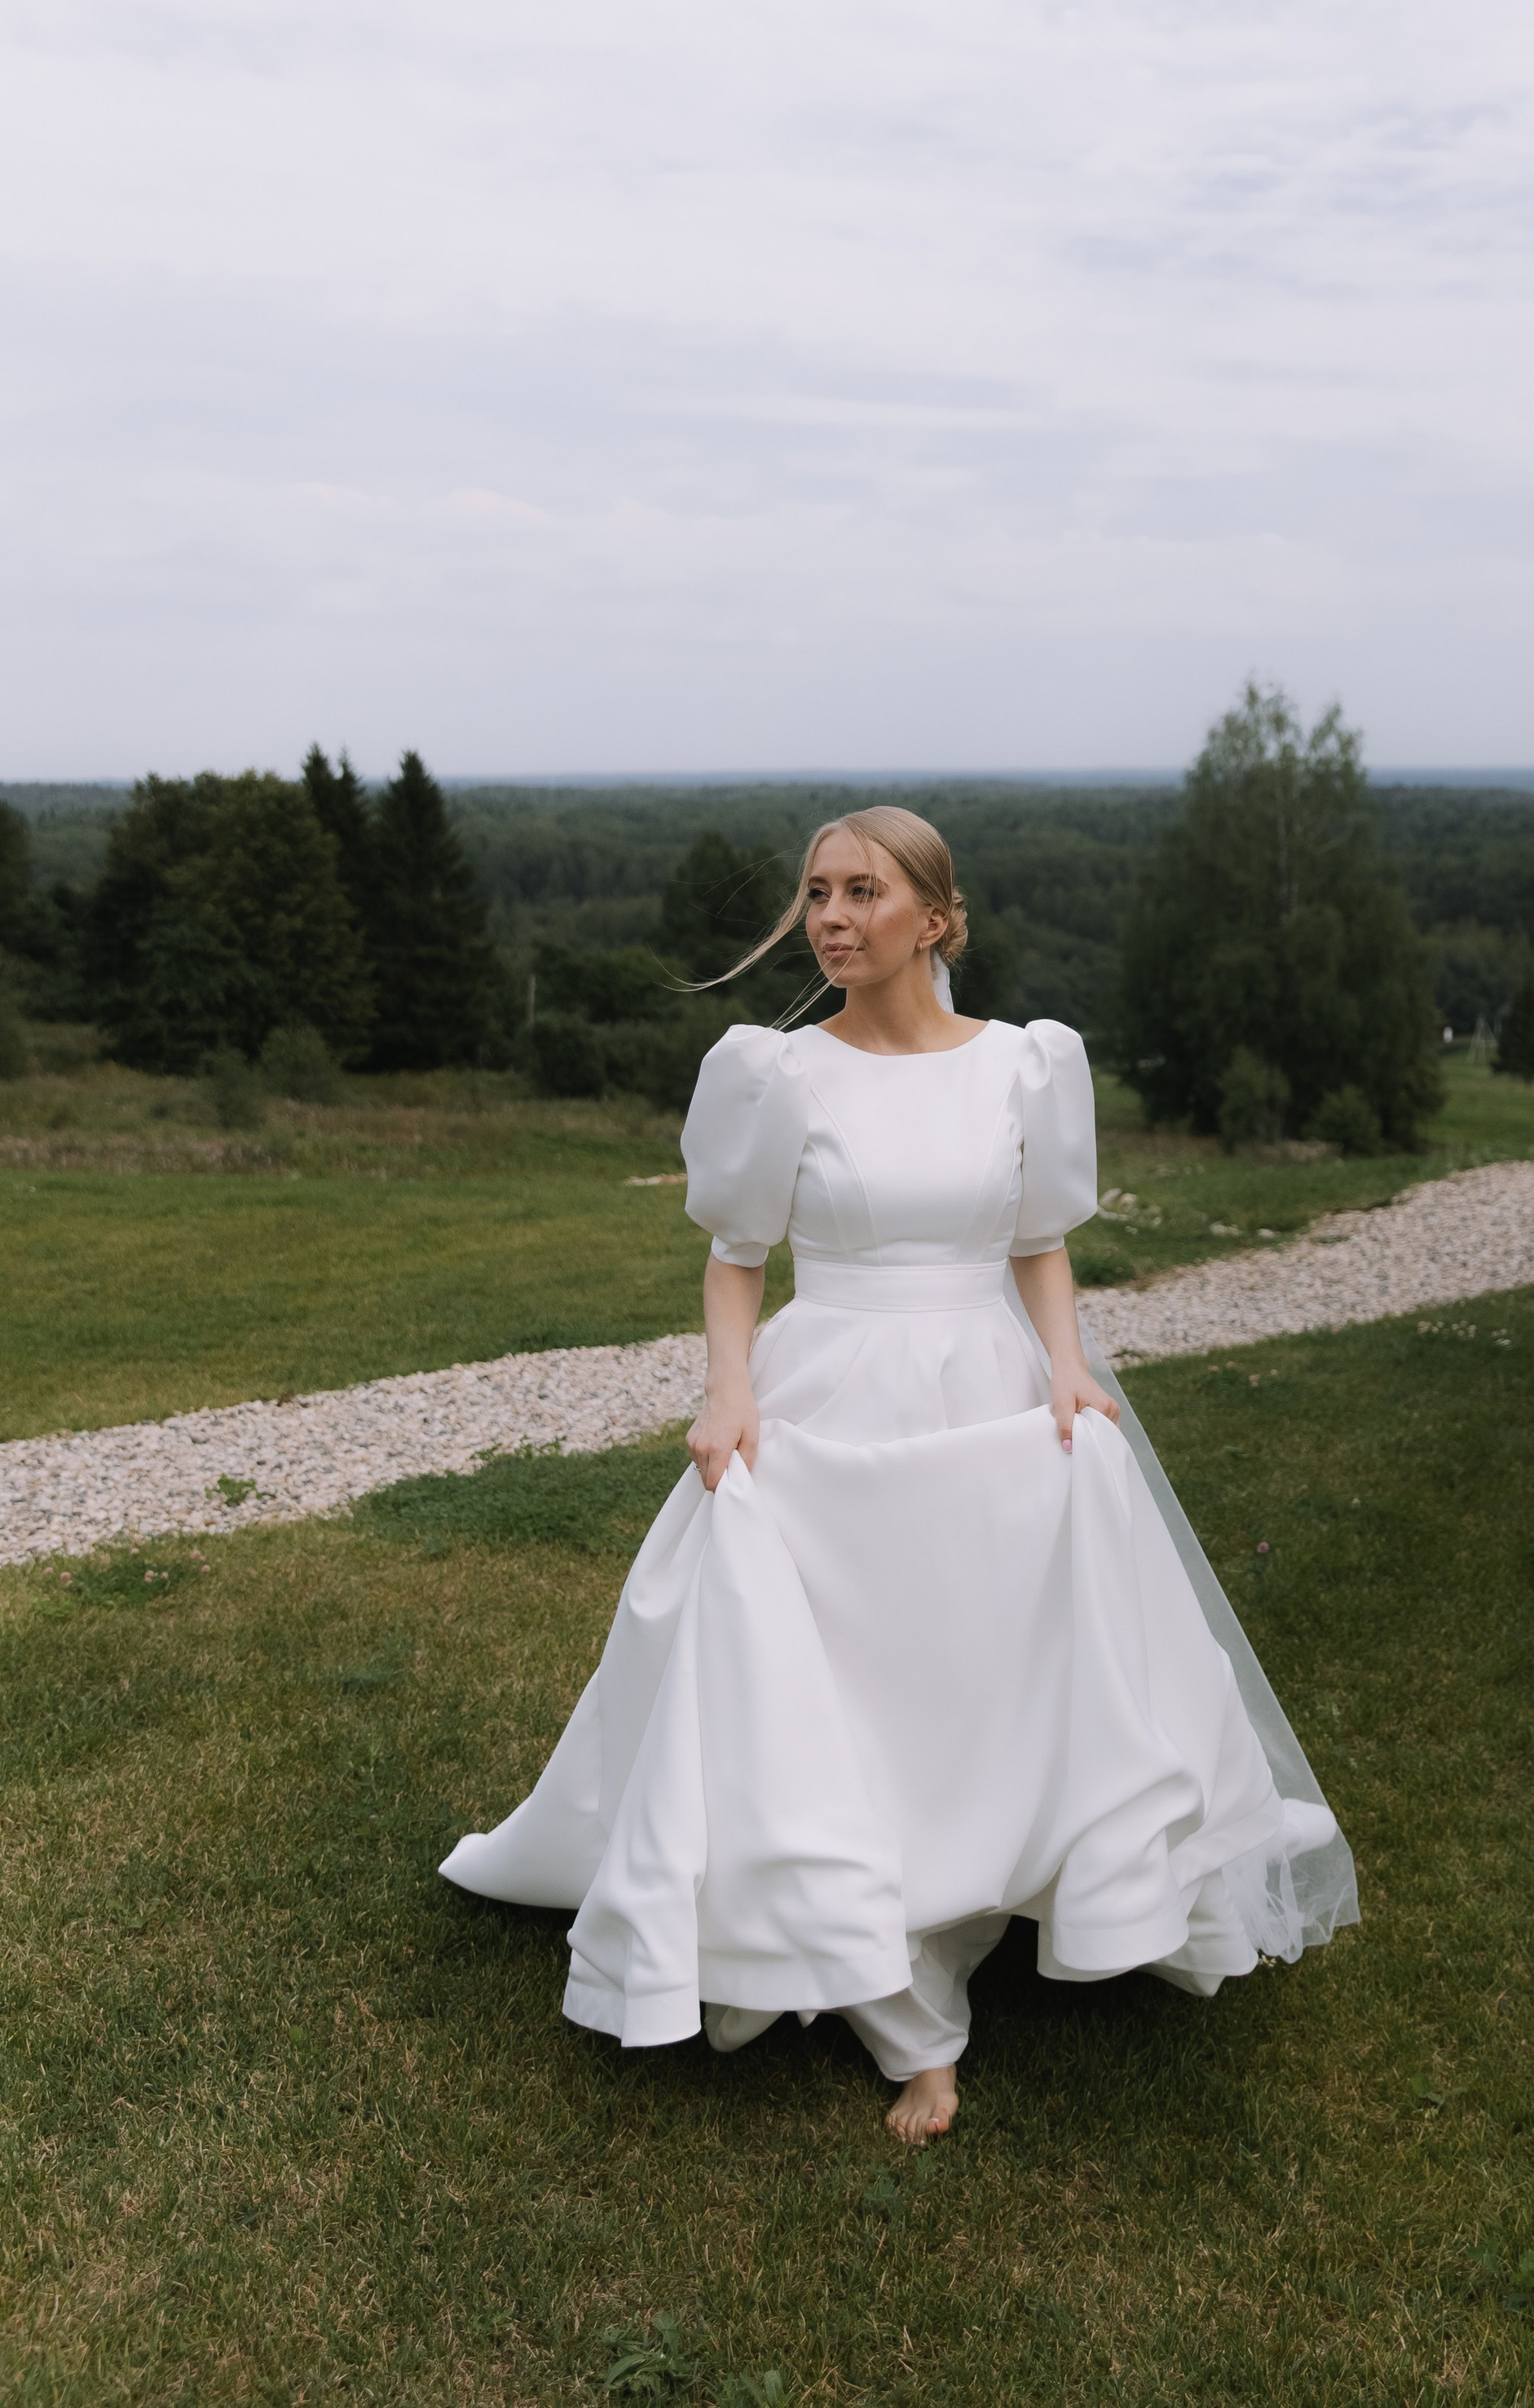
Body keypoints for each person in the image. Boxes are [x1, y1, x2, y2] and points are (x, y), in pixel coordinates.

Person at [441, 808, 1355, 2142]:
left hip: (986, 1388)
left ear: (935, 917)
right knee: (830, 1682)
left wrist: (1067, 1367)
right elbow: (738, 1253)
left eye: (863, 891)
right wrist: (728, 1387)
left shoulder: (1026, 1067)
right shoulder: (778, 1073)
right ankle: (894, 1997)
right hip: (832, 1391)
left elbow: (1036, 1237)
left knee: (989, 1675)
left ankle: (1001, 1888)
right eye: (817, 892)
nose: (831, 916)